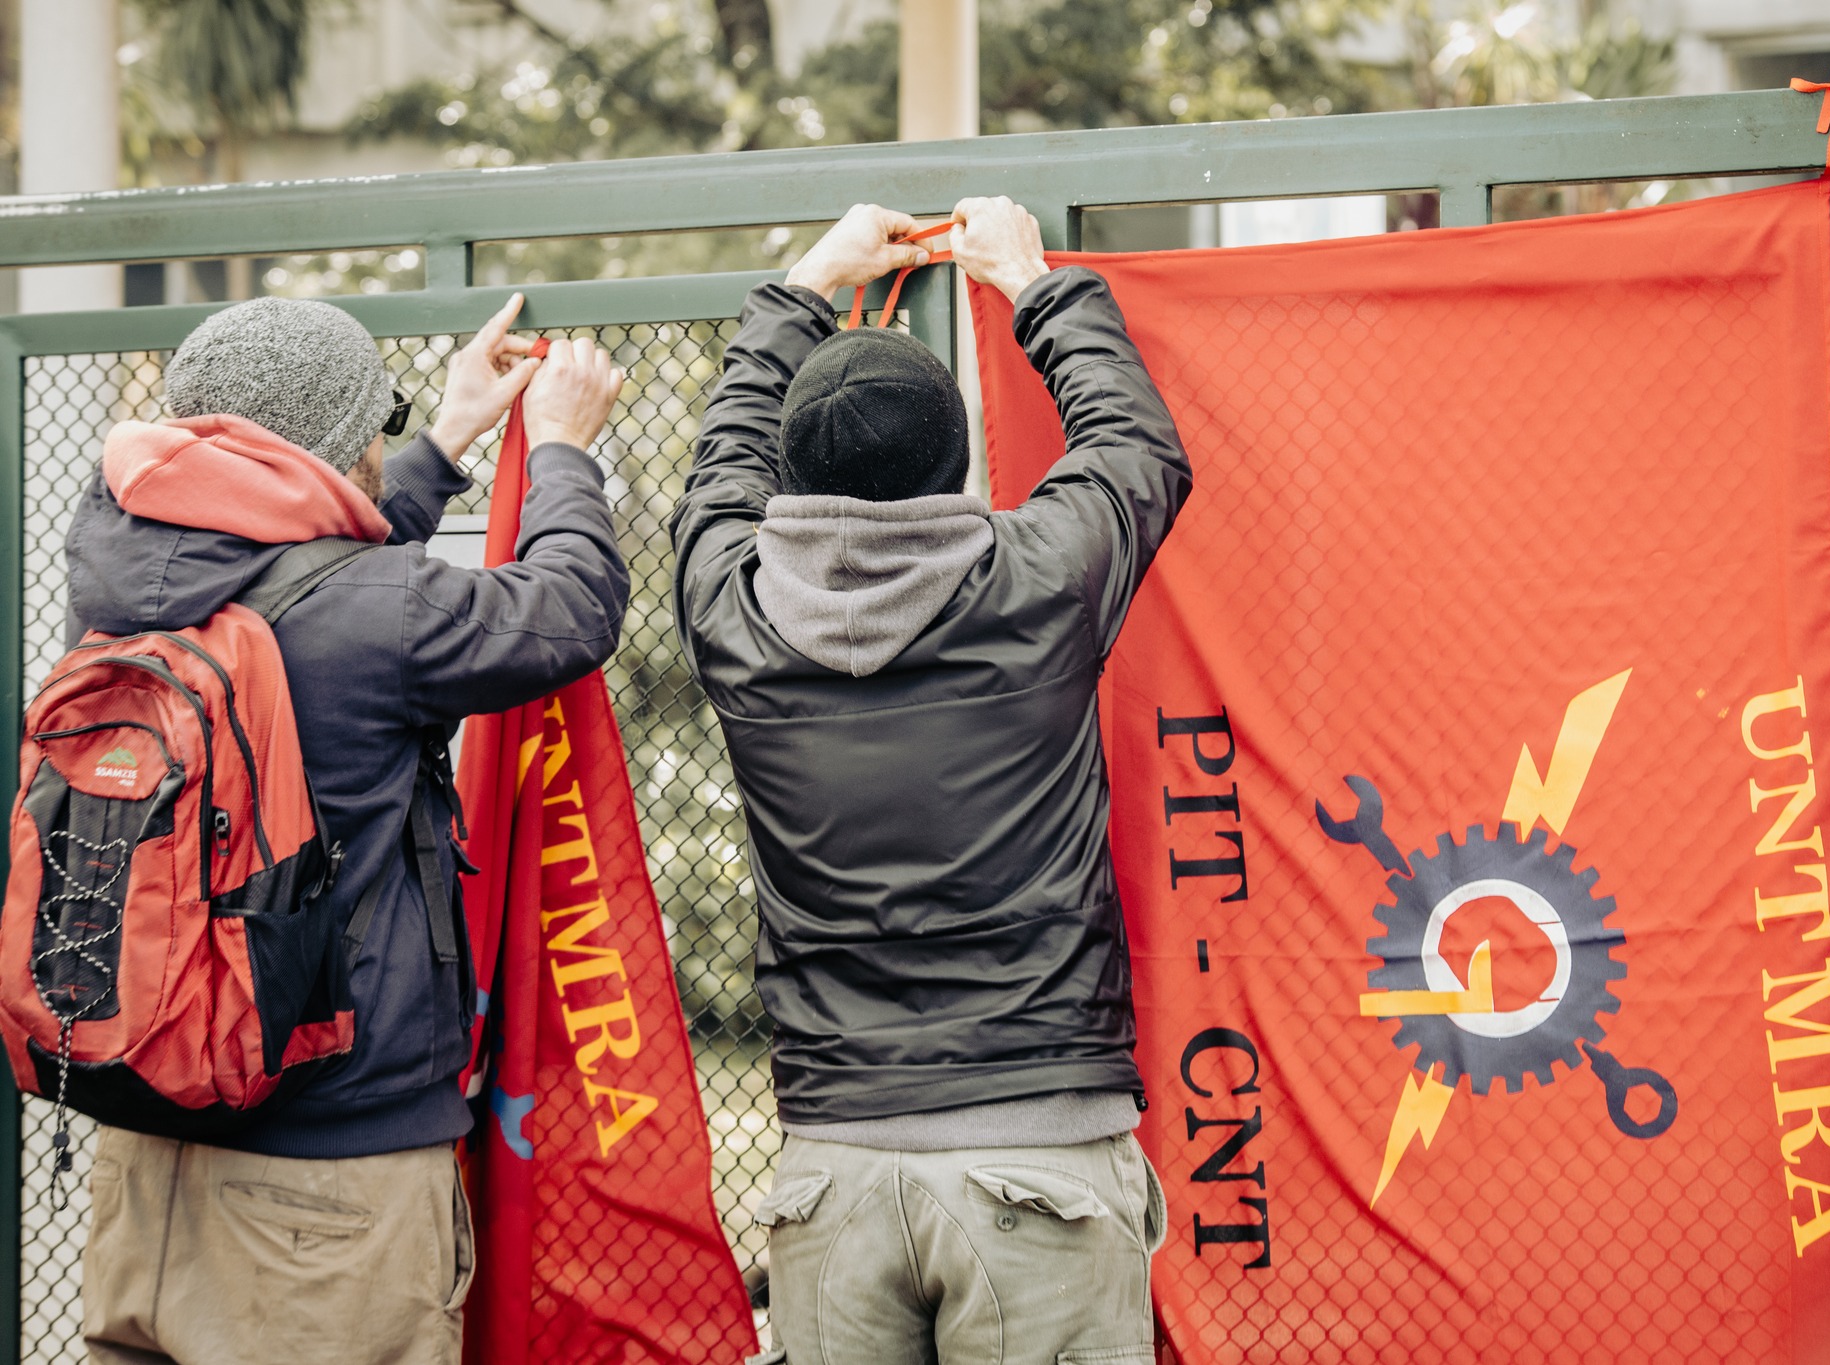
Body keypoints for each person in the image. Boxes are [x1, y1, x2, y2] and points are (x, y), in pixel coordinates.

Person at [674, 197, 1193, 1363]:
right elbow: (1134, 447)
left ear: (791, 476)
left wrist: (806, 281)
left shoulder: (730, 608)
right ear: (954, 460)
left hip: (829, 1167)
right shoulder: (1036, 581)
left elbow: (715, 467)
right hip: (1040, 1159)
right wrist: (1030, 278)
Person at [69, 294, 629, 1364]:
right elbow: (567, 610)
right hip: (326, 1189)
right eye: (376, 423)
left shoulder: (114, 577)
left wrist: (447, 437)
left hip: (141, 1160)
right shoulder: (381, 612)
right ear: (336, 444)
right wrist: (559, 449)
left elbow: (309, 580)